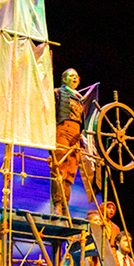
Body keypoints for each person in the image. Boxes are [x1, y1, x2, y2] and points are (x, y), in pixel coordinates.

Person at [50, 68, 83, 216]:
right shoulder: (57, 92)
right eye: (72, 76)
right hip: (62, 129)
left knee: (71, 171)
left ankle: (65, 205)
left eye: (77, 76)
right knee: (59, 167)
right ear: (64, 79)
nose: (75, 78)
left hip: (76, 134)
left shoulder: (80, 98)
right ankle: (57, 204)